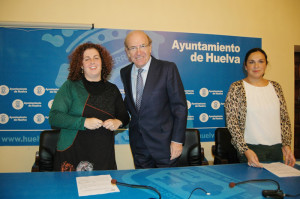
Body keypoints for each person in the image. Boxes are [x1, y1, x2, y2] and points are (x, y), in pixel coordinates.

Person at [49, 42, 129, 171]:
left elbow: (124, 116)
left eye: (96, 57)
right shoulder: (70, 86)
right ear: (81, 65)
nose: (92, 61)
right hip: (72, 153)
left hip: (103, 155)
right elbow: (55, 118)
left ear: (102, 62)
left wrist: (117, 121)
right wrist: (84, 122)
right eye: (87, 59)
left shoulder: (112, 90)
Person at [120, 30, 187, 169]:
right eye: (133, 48)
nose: (138, 52)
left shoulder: (168, 69)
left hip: (165, 145)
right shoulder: (125, 72)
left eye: (142, 46)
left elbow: (179, 107)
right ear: (127, 52)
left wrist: (177, 141)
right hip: (138, 146)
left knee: (167, 186)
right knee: (143, 186)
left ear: (150, 47)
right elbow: (132, 103)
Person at [225, 48, 296, 168]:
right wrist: (245, 150)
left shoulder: (276, 87)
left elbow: (284, 119)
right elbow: (232, 122)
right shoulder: (237, 87)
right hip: (251, 149)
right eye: (251, 62)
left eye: (261, 61)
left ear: (266, 64)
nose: (256, 66)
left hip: (276, 149)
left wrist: (287, 145)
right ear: (245, 66)